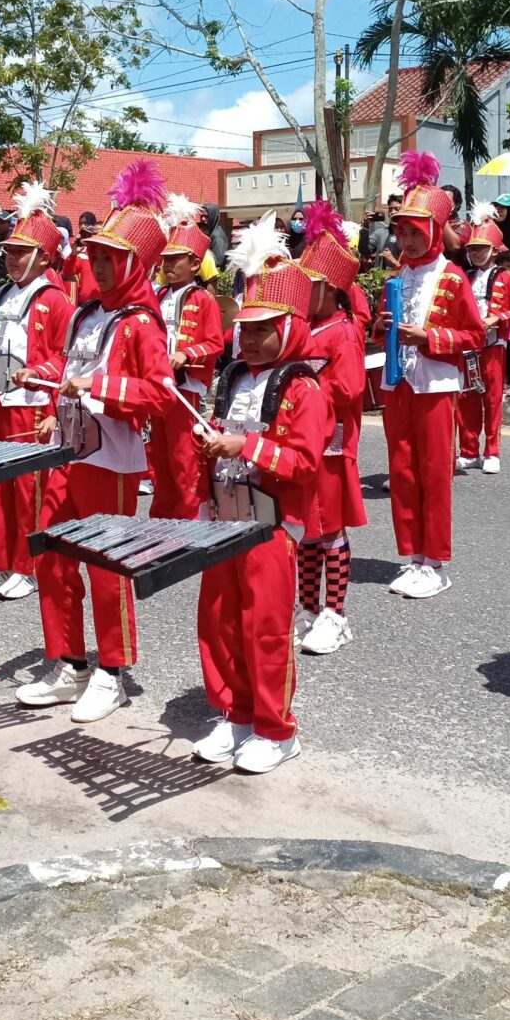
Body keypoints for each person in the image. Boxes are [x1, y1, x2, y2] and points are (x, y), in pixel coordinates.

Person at [15, 161, 174, 723]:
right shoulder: (85, 313)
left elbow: (161, 394)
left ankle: (114, 670)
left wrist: (96, 385)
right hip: (66, 447)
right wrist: (42, 374)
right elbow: (65, 364)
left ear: (134, 264)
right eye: (97, 256)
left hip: (110, 459)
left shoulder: (142, 323)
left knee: (107, 567)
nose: (100, 266)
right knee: (53, 559)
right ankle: (68, 662)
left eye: (112, 258)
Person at [191, 245, 328, 775]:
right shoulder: (232, 379)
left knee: (265, 626)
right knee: (219, 619)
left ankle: (276, 728)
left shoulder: (303, 387)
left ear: (290, 328)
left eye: (261, 330)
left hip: (270, 523)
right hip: (226, 514)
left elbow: (304, 462)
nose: (247, 340)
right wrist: (210, 452)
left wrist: (243, 447)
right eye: (243, 330)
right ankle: (235, 713)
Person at [379, 151, 485, 598]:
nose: (406, 239)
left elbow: (475, 336)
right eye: (401, 231)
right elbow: (387, 327)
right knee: (401, 472)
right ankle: (413, 556)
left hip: (436, 385)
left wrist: (429, 338)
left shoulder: (455, 278)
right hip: (398, 383)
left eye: (415, 231)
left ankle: (436, 562)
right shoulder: (397, 276)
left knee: (433, 472)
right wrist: (382, 327)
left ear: (435, 231)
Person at [0, 182, 74, 600]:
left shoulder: (56, 299)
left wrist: (48, 397)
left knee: (26, 490)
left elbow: (66, 359)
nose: (11, 259)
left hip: (30, 408)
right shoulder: (1, 293)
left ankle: (27, 568)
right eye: (9, 251)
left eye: (20, 252)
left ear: (44, 257)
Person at [295, 202, 367, 656]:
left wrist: (305, 387)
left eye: (310, 286)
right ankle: (307, 608)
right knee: (305, 528)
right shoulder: (306, 327)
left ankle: (335, 614)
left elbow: (348, 388)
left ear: (331, 291)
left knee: (331, 529)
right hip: (304, 441)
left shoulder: (343, 332)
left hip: (333, 446)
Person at [150, 195, 226, 520]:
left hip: (185, 391)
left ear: (195, 264)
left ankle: (190, 520)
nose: (167, 265)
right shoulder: (157, 296)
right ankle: (163, 521)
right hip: (157, 388)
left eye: (175, 260)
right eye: (165, 259)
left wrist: (185, 353)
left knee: (184, 460)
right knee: (158, 461)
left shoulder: (202, 298)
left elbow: (214, 343)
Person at [456, 202, 510, 474]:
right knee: (467, 398)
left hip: (493, 344)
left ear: (494, 250)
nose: (475, 254)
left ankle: (492, 451)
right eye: (472, 249)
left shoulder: (507, 277)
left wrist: (496, 319)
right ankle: (469, 450)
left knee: (493, 399)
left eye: (480, 249)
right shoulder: (466, 276)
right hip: (468, 347)